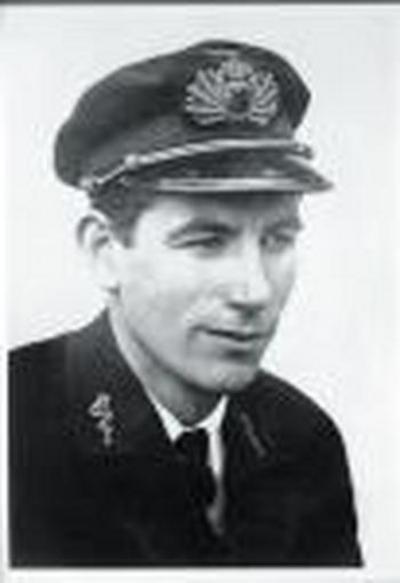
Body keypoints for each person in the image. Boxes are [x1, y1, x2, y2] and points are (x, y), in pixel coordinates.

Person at [9, 39, 363, 567]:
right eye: (206, 242)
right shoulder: (17, 425)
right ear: (104, 251)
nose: (255, 291)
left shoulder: (304, 440)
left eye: (277, 239)